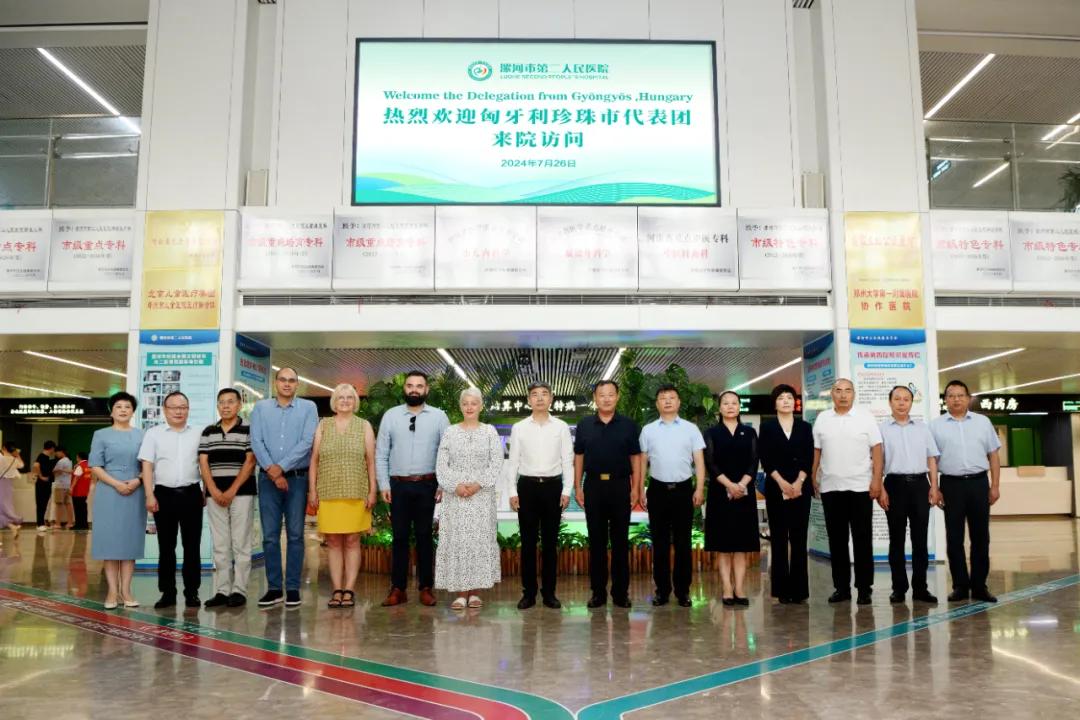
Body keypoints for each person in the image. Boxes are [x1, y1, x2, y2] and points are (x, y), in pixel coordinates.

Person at [375, 371, 450, 607]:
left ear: (426, 390)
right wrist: (383, 484)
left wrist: (443, 484)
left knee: (425, 536)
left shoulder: (439, 417)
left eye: (419, 386)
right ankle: (398, 588)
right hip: (397, 485)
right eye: (410, 385)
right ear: (404, 388)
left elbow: (447, 454)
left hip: (428, 485)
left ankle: (426, 587)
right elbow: (381, 453)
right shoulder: (391, 416)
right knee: (399, 537)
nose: (414, 389)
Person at [250, 367, 318, 608]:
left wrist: (281, 467)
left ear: (297, 384)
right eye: (283, 380)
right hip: (267, 480)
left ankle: (292, 588)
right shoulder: (261, 408)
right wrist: (272, 469)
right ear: (275, 383)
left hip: (297, 479)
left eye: (292, 380)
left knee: (296, 535)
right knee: (269, 536)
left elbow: (307, 442)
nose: (287, 384)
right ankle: (274, 588)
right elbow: (256, 441)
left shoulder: (308, 408)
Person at [812, 378, 883, 605]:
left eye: (847, 391)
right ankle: (841, 588)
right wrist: (813, 476)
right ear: (832, 394)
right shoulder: (823, 419)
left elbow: (877, 450)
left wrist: (877, 480)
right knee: (837, 541)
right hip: (831, 488)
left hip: (861, 487)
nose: (843, 395)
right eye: (838, 391)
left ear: (854, 394)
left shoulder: (865, 417)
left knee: (862, 539)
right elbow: (817, 451)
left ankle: (864, 588)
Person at [930, 379, 1002, 603]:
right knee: (954, 538)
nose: (956, 399)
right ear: (945, 400)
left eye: (960, 395)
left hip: (979, 484)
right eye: (951, 396)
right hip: (951, 485)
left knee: (981, 537)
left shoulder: (983, 422)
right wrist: (935, 488)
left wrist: (995, 485)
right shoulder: (935, 425)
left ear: (968, 398)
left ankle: (979, 586)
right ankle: (960, 586)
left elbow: (993, 455)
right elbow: (932, 460)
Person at [574, 380, 642, 609]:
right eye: (602, 395)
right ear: (595, 398)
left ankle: (621, 593)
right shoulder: (584, 425)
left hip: (620, 486)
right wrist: (577, 486)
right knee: (597, 542)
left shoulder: (628, 425)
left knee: (620, 542)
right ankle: (598, 593)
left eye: (611, 394)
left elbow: (635, 457)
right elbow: (579, 457)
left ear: (617, 397)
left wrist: (636, 487)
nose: (606, 398)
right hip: (593, 486)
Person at [308, 383, 377, 609]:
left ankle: (349, 589)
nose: (345, 401)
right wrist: (312, 490)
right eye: (341, 397)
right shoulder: (323, 425)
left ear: (355, 401)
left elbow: (370, 461)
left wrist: (372, 490)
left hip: (356, 492)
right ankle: (337, 589)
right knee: (334, 542)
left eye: (349, 397)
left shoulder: (364, 426)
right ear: (334, 402)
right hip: (328, 492)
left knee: (353, 540)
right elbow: (314, 460)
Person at [434, 387, 504, 609]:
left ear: (481, 406)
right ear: (460, 407)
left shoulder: (490, 431)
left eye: (474, 403)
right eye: (465, 403)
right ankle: (460, 592)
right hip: (455, 498)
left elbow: (496, 462)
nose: (469, 407)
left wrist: (477, 484)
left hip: (481, 497)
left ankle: (474, 593)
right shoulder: (450, 432)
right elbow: (441, 465)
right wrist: (455, 486)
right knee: (458, 541)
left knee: (478, 541)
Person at [506, 381, 573, 610]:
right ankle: (529, 593)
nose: (540, 398)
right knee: (528, 544)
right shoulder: (519, 428)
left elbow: (567, 461)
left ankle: (549, 593)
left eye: (544, 394)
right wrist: (512, 491)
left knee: (550, 544)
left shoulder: (561, 427)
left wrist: (566, 491)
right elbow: (513, 462)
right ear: (528, 400)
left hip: (553, 488)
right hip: (527, 488)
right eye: (535, 394)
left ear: (551, 399)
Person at [639, 384, 706, 608]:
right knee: (659, 543)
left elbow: (699, 461)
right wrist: (640, 489)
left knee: (683, 543)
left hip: (683, 489)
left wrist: (699, 489)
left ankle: (683, 591)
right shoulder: (648, 430)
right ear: (657, 403)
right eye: (663, 398)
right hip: (657, 490)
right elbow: (642, 462)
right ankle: (662, 591)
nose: (667, 401)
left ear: (679, 402)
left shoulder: (691, 429)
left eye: (672, 397)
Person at [140, 391, 205, 610]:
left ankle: (192, 592)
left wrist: (205, 491)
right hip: (163, 495)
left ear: (188, 409)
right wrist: (149, 494)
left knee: (192, 546)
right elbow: (147, 465)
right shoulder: (154, 434)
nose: (179, 411)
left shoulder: (198, 433)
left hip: (192, 494)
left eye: (183, 407)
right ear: (165, 410)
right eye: (174, 407)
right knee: (166, 547)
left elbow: (204, 464)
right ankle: (167, 592)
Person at [878, 385, 941, 605]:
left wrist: (934, 487)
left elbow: (932, 458)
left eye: (906, 399)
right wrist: (881, 488)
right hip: (893, 485)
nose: (902, 403)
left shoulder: (923, 428)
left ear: (912, 403)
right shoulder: (881, 429)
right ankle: (898, 588)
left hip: (920, 485)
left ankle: (921, 588)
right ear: (890, 402)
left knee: (920, 540)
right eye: (897, 399)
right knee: (896, 540)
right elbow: (877, 462)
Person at [199, 388, 258, 609]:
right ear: (217, 406)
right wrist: (213, 490)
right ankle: (222, 590)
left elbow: (250, 462)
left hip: (241, 493)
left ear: (239, 405)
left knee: (241, 542)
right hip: (214, 495)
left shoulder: (249, 429)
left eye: (230, 402)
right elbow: (203, 463)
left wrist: (232, 490)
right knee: (220, 543)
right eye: (221, 402)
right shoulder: (208, 432)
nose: (225, 406)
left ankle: (239, 590)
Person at [89, 391, 146, 609]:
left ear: (133, 412)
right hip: (108, 491)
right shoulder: (100, 434)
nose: (123, 410)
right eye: (119, 407)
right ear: (111, 411)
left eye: (127, 407)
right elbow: (95, 465)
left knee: (129, 543)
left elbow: (148, 464)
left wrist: (137, 481)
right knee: (110, 544)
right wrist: (116, 484)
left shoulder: (142, 435)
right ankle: (112, 591)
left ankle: (126, 591)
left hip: (135, 490)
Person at [758, 384, 813, 604]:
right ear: (775, 403)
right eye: (781, 398)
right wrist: (781, 482)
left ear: (795, 402)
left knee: (799, 538)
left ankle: (799, 590)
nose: (786, 401)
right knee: (779, 538)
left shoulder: (805, 427)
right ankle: (781, 590)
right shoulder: (767, 427)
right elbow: (765, 457)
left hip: (801, 488)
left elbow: (808, 457)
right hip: (776, 487)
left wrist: (799, 482)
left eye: (790, 397)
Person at [703, 391, 760, 606]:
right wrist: (729, 485)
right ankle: (727, 588)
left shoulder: (749, 432)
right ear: (719, 408)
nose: (730, 406)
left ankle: (740, 589)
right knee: (724, 545)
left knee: (741, 545)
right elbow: (710, 463)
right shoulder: (712, 433)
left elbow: (754, 461)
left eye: (734, 403)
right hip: (720, 494)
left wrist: (741, 485)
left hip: (744, 494)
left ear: (739, 407)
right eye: (725, 403)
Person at [0, 442, 25, 541]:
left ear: (4, 448)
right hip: (9, 486)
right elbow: (22, 465)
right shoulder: (14, 460)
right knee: (5, 508)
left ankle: (12, 525)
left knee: (2, 509)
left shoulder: (1, 458)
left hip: (1, 484)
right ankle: (12, 526)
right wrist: (17, 454)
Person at [31, 440, 57, 532]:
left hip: (46, 483)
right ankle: (40, 524)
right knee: (41, 503)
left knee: (44, 503)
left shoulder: (46, 457)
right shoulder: (42, 456)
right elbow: (36, 465)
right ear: (52, 448)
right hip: (42, 484)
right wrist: (41, 476)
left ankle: (41, 523)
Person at [51, 447, 75, 530]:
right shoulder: (69, 461)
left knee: (59, 504)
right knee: (68, 504)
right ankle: (70, 523)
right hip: (67, 484)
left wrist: (56, 471)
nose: (56, 454)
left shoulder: (61, 461)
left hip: (60, 485)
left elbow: (55, 471)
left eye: (57, 452)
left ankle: (57, 523)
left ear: (61, 452)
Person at [70, 451, 92, 531]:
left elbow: (76, 477)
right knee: (83, 508)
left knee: (78, 509)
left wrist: (71, 488)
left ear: (79, 457)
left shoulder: (80, 466)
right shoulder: (89, 466)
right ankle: (84, 524)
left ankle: (78, 525)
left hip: (78, 491)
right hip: (85, 490)